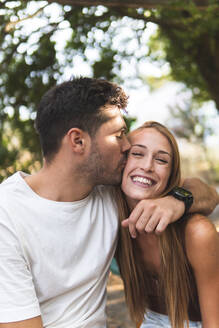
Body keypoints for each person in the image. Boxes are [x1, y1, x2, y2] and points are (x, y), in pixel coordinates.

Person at [0, 78, 217, 328]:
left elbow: (208, 194)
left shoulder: (108, 196)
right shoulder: (8, 216)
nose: (127, 146)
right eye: (119, 136)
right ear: (78, 141)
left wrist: (177, 201)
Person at [116, 121, 219, 328]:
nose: (147, 166)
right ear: (121, 162)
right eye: (137, 154)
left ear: (171, 175)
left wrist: (177, 200)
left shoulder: (196, 232)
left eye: (161, 160)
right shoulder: (110, 217)